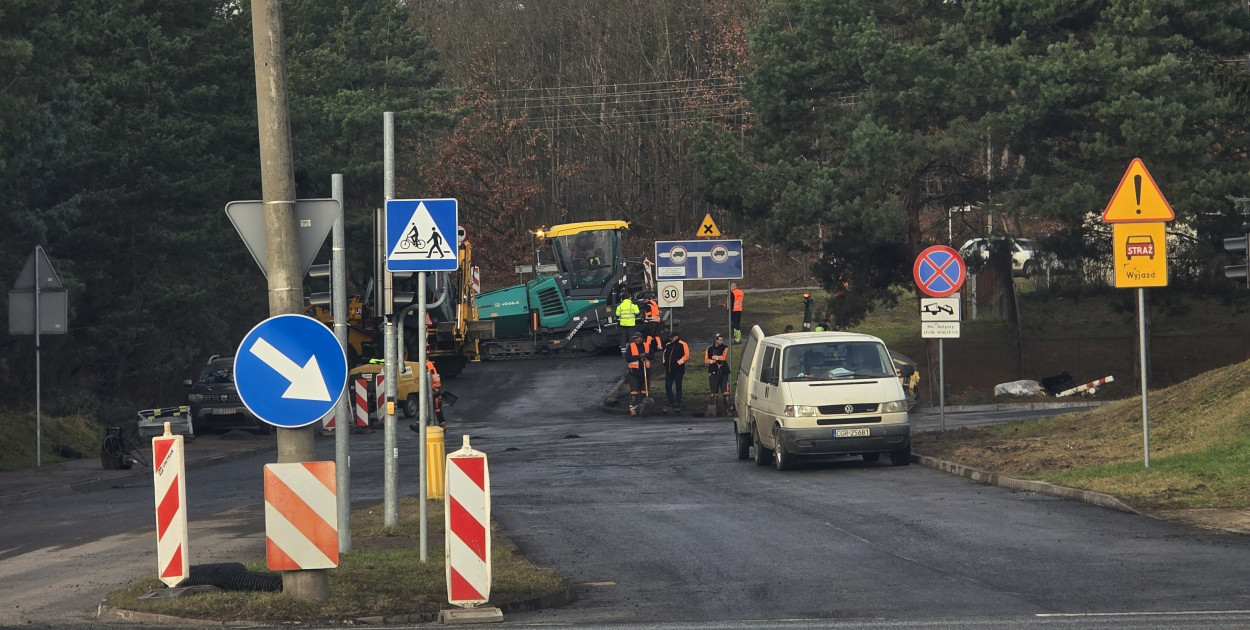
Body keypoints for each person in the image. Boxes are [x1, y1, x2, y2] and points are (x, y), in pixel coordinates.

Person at [662, 330, 689, 411]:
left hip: (678, 370)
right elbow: (664, 354)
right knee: (667, 386)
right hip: (669, 369)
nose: (671, 339)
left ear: (676, 337)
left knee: (678, 387)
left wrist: (679, 363)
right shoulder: (668, 345)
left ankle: (677, 402)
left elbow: (686, 355)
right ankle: (671, 401)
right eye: (670, 337)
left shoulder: (683, 344)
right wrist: (664, 362)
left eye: (672, 337)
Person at [625, 331, 650, 416]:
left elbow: (652, 355)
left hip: (645, 372)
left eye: (637, 338)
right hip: (634, 372)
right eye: (635, 338)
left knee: (644, 391)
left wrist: (646, 355)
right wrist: (639, 356)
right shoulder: (631, 347)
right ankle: (633, 408)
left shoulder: (646, 345)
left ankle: (642, 407)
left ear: (641, 338)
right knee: (634, 392)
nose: (636, 339)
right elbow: (628, 358)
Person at [705, 333, 730, 409]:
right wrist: (713, 361)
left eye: (722, 340)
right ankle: (714, 407)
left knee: (725, 389)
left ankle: (728, 407)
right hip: (713, 370)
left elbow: (723, 357)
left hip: (723, 370)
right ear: (716, 340)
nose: (721, 342)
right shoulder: (709, 348)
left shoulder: (725, 347)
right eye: (720, 340)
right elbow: (706, 360)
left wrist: (714, 357)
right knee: (713, 389)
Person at [615, 291, 640, 355]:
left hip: (623, 324)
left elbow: (617, 314)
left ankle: (623, 352)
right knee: (631, 338)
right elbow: (637, 312)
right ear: (629, 298)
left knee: (623, 338)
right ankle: (631, 351)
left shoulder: (620, 306)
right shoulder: (632, 305)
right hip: (631, 324)